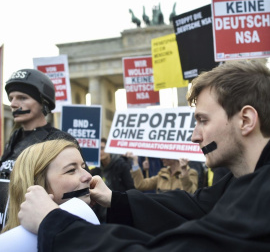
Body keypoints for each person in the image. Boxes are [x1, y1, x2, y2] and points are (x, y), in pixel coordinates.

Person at [19, 60, 270, 251]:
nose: (194, 136)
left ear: (246, 120)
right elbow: (193, 207)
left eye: (203, 120)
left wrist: (53, 225)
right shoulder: (241, 182)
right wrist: (115, 200)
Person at [0, 68, 79, 179]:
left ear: (44, 103)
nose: (13, 104)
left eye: (22, 98)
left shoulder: (60, 140)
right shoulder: (14, 138)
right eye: (11, 98)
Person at [1, 139, 92, 233]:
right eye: (71, 170)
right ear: (38, 184)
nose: (89, 176)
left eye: (83, 167)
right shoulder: (8, 244)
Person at [89, 137, 134, 222]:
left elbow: (130, 188)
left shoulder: (122, 166)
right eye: (97, 149)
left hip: (118, 214)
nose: (100, 152)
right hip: (100, 215)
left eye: (102, 148)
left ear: (109, 149)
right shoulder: (95, 169)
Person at [130, 155, 198, 193]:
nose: (161, 158)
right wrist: (135, 162)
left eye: (165, 154)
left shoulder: (190, 173)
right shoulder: (162, 173)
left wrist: (184, 171)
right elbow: (141, 185)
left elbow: (191, 192)